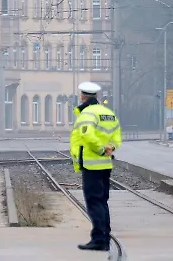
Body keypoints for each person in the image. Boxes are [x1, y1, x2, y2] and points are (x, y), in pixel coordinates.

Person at [69, 81, 122, 252]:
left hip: (91, 165)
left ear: (82, 96)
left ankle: (99, 239)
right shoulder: (108, 113)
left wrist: (100, 149)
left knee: (94, 202)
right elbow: (117, 137)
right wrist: (110, 148)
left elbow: (88, 137)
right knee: (102, 201)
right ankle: (105, 237)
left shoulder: (87, 114)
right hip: (106, 165)